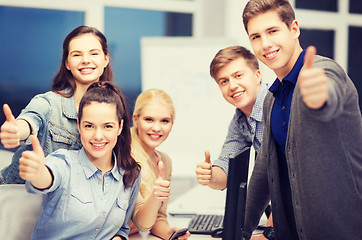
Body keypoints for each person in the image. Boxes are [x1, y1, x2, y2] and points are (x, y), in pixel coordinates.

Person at [241, 0, 362, 239]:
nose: (265, 44)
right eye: (256, 36)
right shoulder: (271, 99)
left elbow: (329, 95)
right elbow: (264, 170)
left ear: (294, 29)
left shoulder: (325, 72)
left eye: (273, 31)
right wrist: (239, 229)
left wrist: (318, 96)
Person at [19, 82, 141, 240]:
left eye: (108, 126)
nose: (98, 136)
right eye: (89, 126)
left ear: (119, 127)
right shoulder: (64, 162)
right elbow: (46, 177)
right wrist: (37, 173)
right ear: (79, 125)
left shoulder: (131, 173)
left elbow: (122, 230)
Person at [0, 25, 112, 184]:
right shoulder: (49, 103)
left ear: (105, 59)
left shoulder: (112, 109)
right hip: (20, 195)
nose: (86, 60)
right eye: (77, 54)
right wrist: (16, 130)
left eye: (94, 53)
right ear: (67, 63)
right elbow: (31, 119)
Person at [195, 46, 268, 190]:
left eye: (238, 76)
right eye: (224, 81)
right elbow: (225, 171)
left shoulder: (278, 105)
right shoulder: (240, 119)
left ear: (257, 76)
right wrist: (210, 176)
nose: (232, 86)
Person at [129, 89, 190, 240]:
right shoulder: (122, 155)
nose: (157, 128)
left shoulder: (164, 161)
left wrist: (170, 234)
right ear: (135, 120)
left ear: (172, 124)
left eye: (164, 121)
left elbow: (158, 218)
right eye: (149, 119)